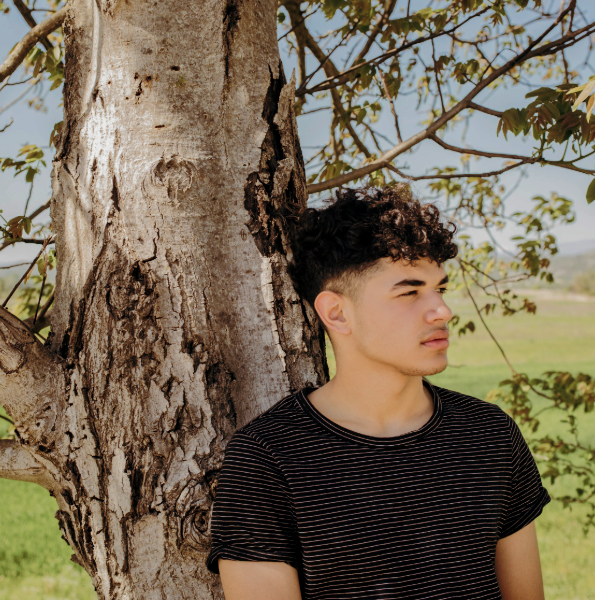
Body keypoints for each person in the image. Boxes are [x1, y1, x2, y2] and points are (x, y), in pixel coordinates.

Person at [207, 186, 549, 600]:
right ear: (337, 312)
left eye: (439, 288)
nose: (442, 311)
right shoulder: (267, 458)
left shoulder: (489, 434)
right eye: (409, 292)